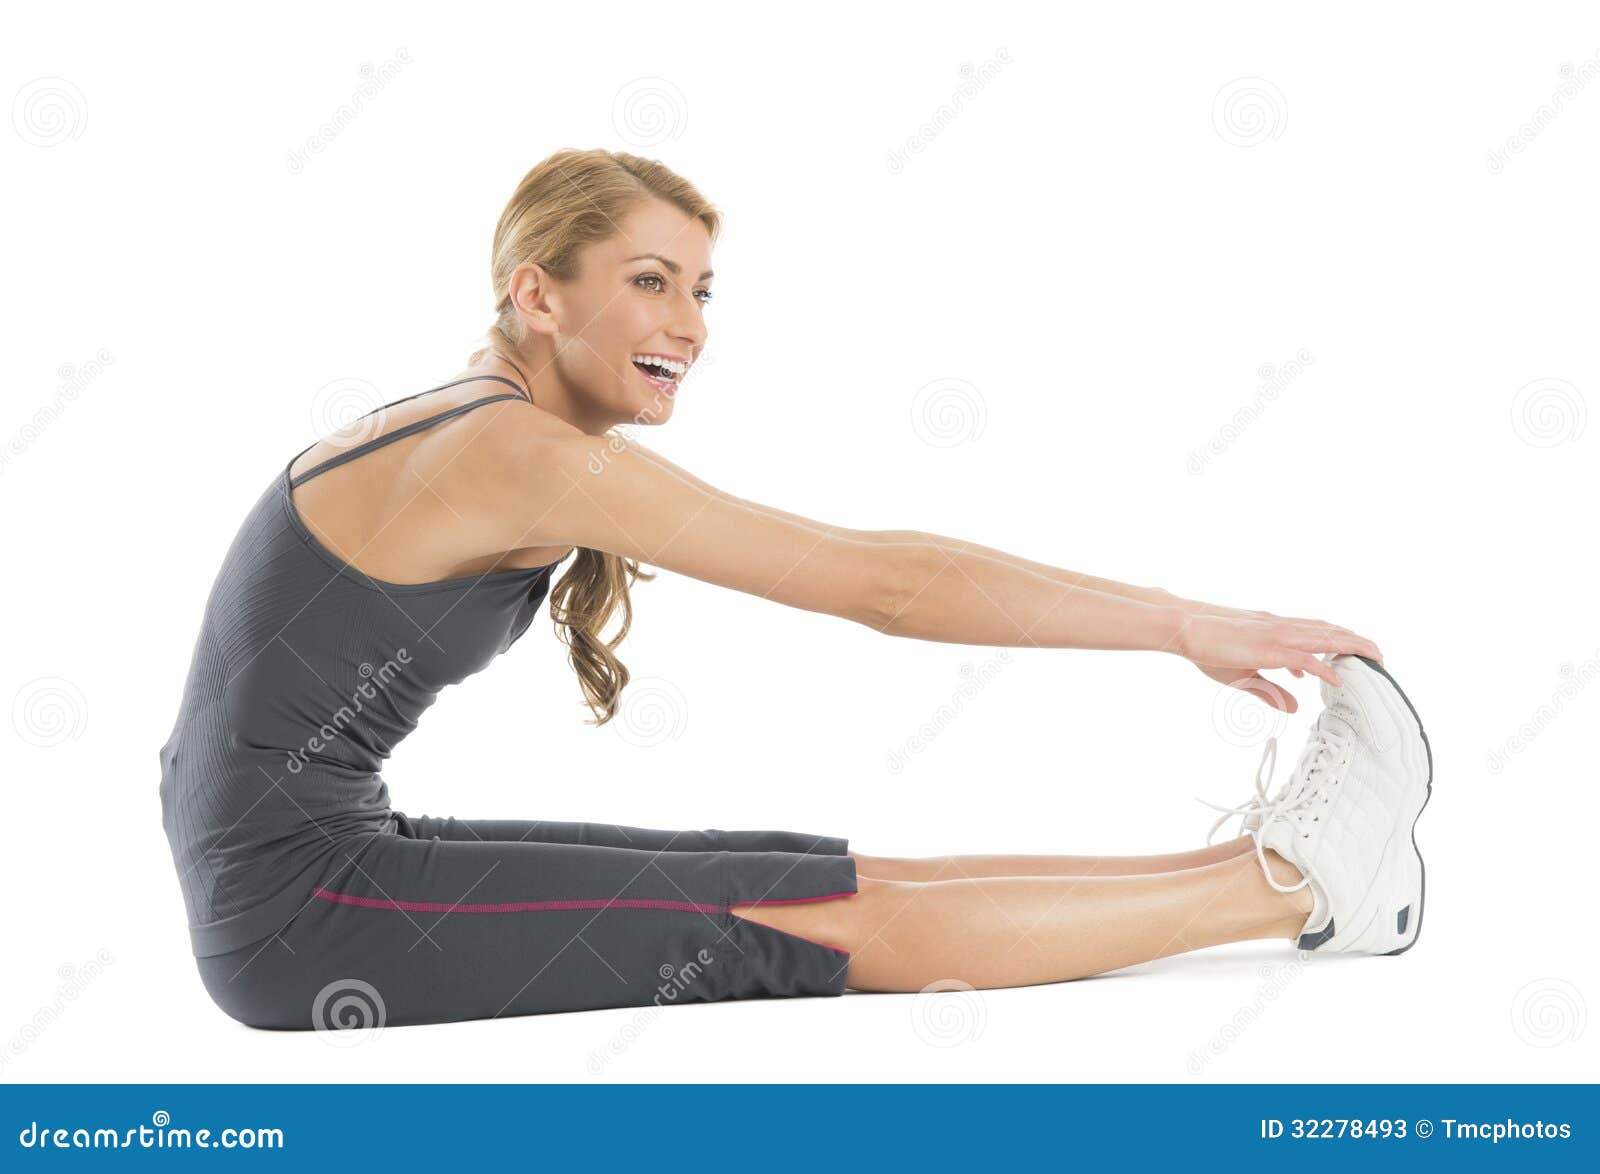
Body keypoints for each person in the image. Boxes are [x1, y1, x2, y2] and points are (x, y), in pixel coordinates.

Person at [158, 148, 1430, 1031]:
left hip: (319, 863)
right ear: (535, 294)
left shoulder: (485, 422)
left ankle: (1271, 868)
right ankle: (1302, 887)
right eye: (649, 280)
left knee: (795, 867)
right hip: (297, 917)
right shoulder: (506, 451)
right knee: (783, 917)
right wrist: (1180, 625)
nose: (691, 323)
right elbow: (884, 583)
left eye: (700, 288)